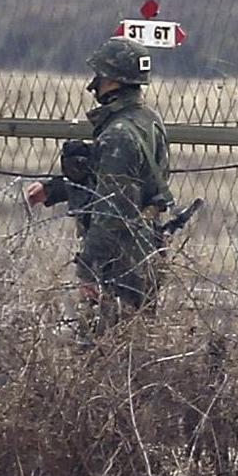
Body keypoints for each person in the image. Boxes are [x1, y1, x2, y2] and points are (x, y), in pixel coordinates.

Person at [26, 36, 173, 324]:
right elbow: (118, 180)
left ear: (112, 79)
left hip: (120, 260)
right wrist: (54, 189)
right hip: (143, 248)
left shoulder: (118, 133)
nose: (95, 82)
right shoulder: (146, 119)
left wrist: (90, 269)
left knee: (106, 341)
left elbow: (112, 209)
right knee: (134, 338)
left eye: (100, 75)